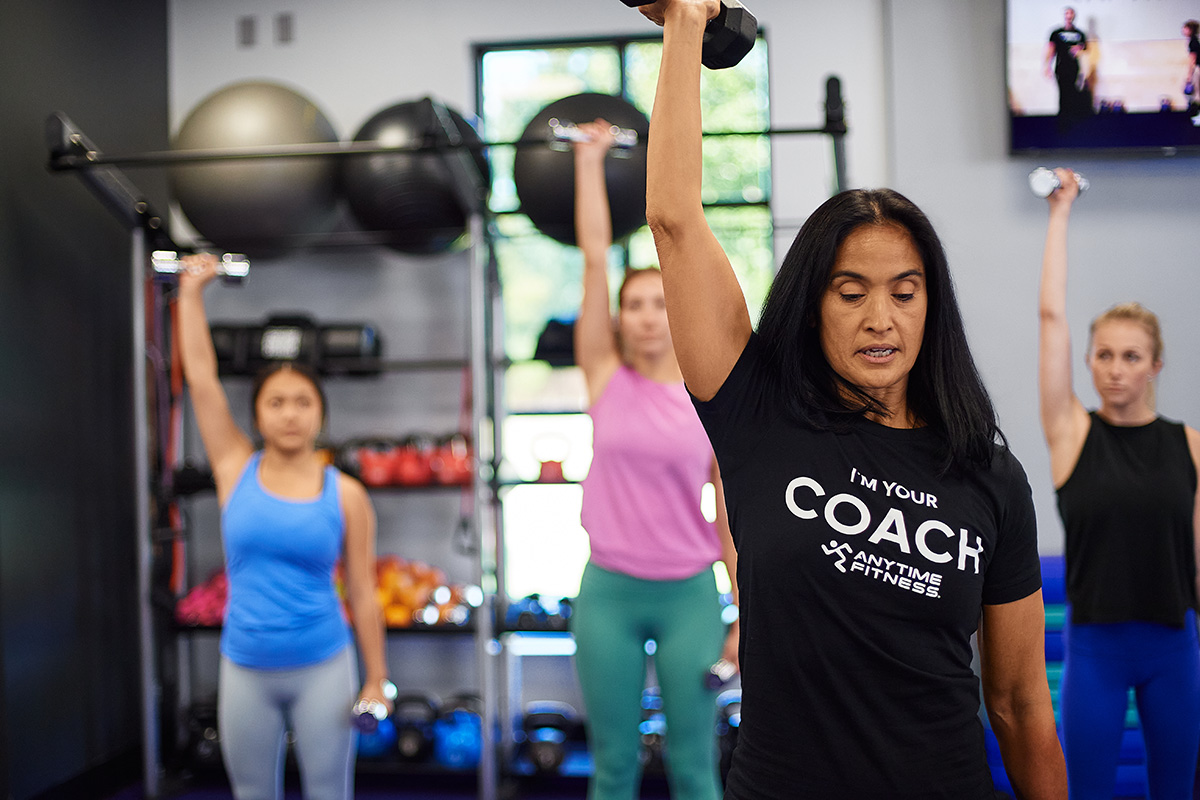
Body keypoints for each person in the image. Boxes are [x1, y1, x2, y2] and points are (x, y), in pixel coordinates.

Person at [633, 2, 1068, 798]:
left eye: (905, 293)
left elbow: (1017, 701)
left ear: (930, 306)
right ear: (814, 304)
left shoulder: (989, 477)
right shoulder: (757, 412)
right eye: (851, 292)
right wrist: (687, 23)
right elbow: (675, 221)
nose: (880, 318)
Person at [177, 253, 393, 800]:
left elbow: (364, 594)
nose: (290, 413)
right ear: (257, 415)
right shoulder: (234, 468)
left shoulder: (346, 494)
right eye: (276, 402)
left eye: (303, 402)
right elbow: (202, 379)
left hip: (323, 664)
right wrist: (190, 293)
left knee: (329, 792)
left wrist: (375, 678)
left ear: (321, 413)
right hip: (245, 668)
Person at [567, 118, 739, 800]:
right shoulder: (603, 375)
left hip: (690, 595)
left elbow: (731, 519)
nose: (643, 315)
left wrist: (741, 615)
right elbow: (591, 258)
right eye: (631, 304)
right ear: (617, 318)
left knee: (695, 766)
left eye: (656, 302)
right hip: (607, 590)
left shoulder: (709, 398)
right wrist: (589, 163)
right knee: (612, 766)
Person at [1037, 169, 1200, 799]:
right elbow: (1052, 317)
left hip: (1173, 647)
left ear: (1156, 365)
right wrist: (1060, 212)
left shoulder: (1188, 447)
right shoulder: (1071, 433)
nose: (1114, 369)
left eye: (1131, 356)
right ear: (1088, 361)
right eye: (1103, 355)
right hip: (1097, 650)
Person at [1045, 6, 1089, 122]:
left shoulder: (1080, 34)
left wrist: (1079, 48)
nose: (1069, 16)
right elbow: (1050, 50)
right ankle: (1063, 118)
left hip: (1074, 67)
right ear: (1064, 16)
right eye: (1067, 14)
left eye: (1071, 14)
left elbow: (1085, 49)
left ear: (1074, 16)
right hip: (1061, 67)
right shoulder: (1056, 33)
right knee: (1063, 92)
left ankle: (1072, 117)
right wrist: (1047, 66)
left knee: (1073, 91)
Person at [1184, 20, 1199, 113]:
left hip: (1197, 69)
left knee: (1196, 94)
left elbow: (1193, 60)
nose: (1183, 30)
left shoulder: (1193, 42)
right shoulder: (1195, 41)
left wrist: (1189, 76)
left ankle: (1198, 114)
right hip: (1197, 68)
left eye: (1185, 28)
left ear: (1190, 30)